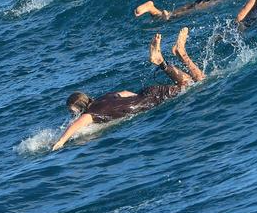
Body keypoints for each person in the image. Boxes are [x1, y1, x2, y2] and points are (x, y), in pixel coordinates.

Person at [51, 28, 204, 151]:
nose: (73, 115)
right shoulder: (104, 98)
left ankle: (180, 53)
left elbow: (74, 126)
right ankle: (162, 61)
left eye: (73, 112)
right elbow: (125, 93)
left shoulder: (90, 115)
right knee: (187, 82)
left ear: (80, 108)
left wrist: (60, 142)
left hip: (151, 100)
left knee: (198, 81)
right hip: (146, 93)